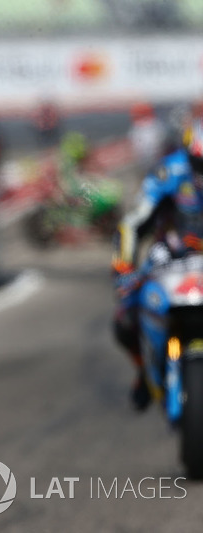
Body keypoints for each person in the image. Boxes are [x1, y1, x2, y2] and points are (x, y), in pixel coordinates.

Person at [112, 114, 203, 411]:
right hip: (171, 257)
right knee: (125, 317)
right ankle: (143, 370)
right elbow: (133, 223)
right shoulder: (168, 172)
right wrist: (123, 267)